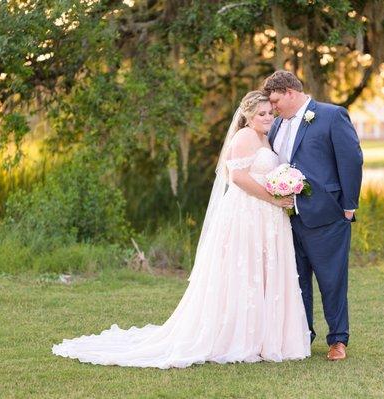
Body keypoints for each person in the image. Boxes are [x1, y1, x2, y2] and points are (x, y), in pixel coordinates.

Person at [51, 90, 311, 369]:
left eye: (270, 113)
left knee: (261, 273)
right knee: (244, 272)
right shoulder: (244, 137)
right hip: (247, 214)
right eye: (262, 114)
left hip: (265, 216)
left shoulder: (264, 138)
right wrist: (273, 198)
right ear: (247, 115)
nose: (268, 118)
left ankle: (264, 338)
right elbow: (237, 177)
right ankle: (238, 337)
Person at [262, 70, 363, 361]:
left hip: (326, 216)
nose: (273, 106)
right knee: (295, 281)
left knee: (331, 280)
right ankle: (302, 336)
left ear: (291, 93)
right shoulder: (276, 125)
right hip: (286, 218)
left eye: (276, 100)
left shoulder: (332, 116)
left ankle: (338, 340)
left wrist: (348, 205)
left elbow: (352, 159)